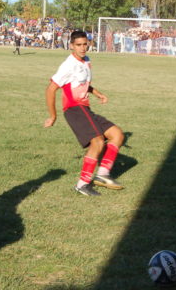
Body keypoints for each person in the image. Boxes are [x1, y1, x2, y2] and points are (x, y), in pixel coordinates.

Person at [44, 31, 125, 196]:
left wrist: (97, 93)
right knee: (98, 142)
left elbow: (82, 83)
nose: (82, 48)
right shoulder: (68, 65)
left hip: (85, 109)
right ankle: (82, 184)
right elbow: (51, 89)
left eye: (85, 44)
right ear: (72, 46)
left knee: (117, 135)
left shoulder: (87, 60)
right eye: (78, 45)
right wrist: (53, 116)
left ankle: (102, 175)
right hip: (74, 109)